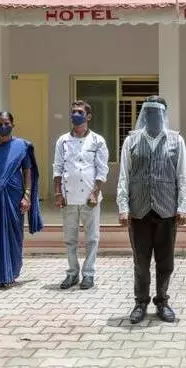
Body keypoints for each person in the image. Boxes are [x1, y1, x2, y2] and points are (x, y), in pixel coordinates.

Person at [117, 96, 186, 324]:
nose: (152, 117)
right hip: (139, 210)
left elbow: (182, 175)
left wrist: (183, 206)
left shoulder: (176, 141)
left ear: (164, 114)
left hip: (166, 209)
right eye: (147, 112)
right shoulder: (132, 141)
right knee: (141, 261)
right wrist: (122, 206)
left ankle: (162, 301)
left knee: (165, 261)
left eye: (156, 112)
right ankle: (140, 302)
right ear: (143, 115)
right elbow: (124, 175)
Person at [0, 111, 43, 289]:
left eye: (6, 123)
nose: (3, 126)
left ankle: (11, 273)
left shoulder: (21, 146)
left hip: (14, 196)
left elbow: (28, 171)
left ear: (13, 124)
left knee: (14, 235)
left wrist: (27, 196)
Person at [52, 100, 109, 290]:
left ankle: (89, 274)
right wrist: (57, 192)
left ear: (88, 116)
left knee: (92, 238)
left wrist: (95, 193)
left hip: (89, 199)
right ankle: (72, 273)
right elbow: (57, 168)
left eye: (80, 112)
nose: (76, 115)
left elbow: (102, 170)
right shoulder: (63, 140)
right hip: (68, 198)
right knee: (70, 239)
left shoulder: (97, 141)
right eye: (73, 112)